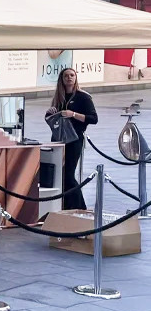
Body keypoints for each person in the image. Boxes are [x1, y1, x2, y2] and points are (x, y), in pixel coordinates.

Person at [46, 68, 97, 210]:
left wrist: (73, 114)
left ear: (76, 78)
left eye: (72, 75)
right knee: (60, 174)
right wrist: (50, 114)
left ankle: (80, 206)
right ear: (61, 79)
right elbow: (52, 122)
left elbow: (93, 119)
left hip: (74, 140)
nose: (69, 78)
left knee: (68, 175)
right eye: (66, 76)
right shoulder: (59, 98)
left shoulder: (83, 97)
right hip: (58, 140)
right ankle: (66, 206)